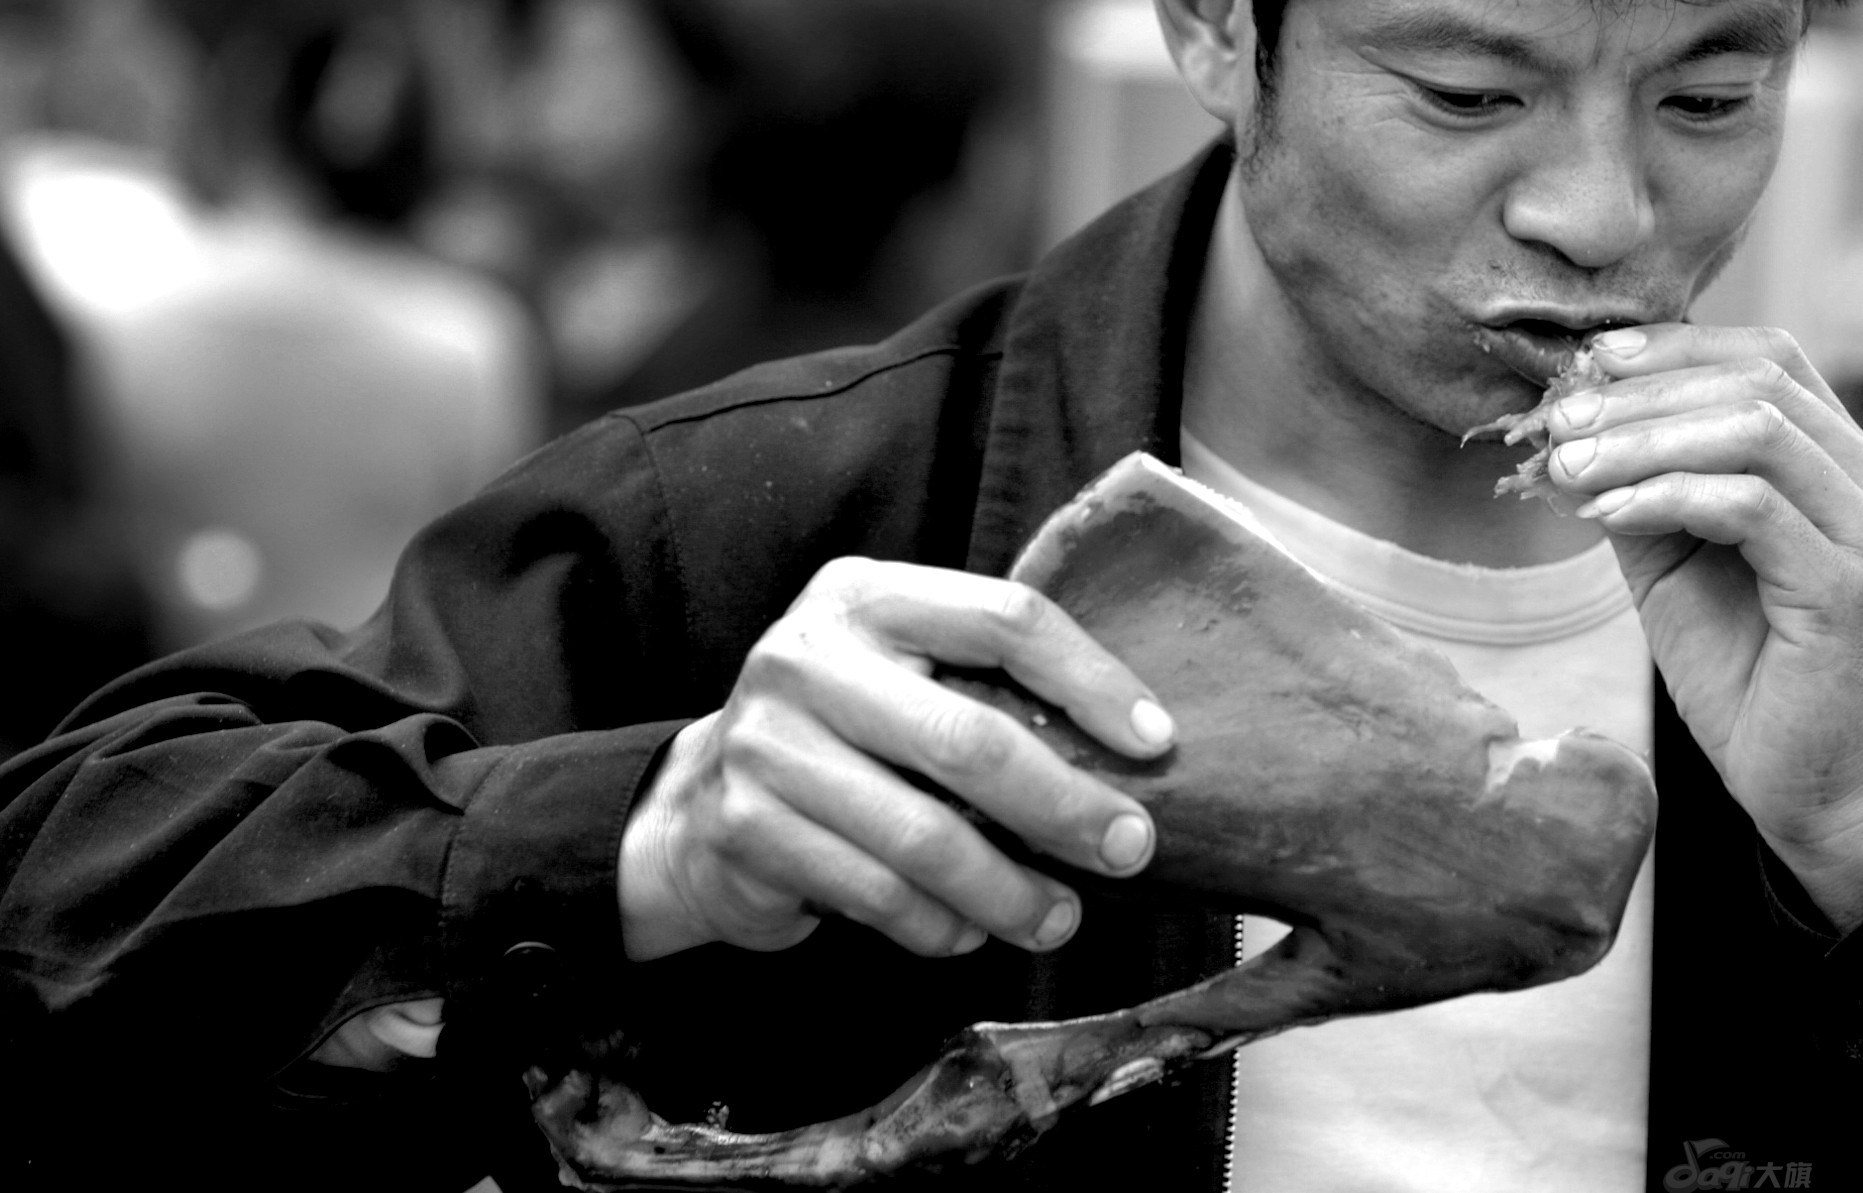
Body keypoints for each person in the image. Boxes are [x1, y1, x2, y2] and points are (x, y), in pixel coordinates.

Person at [3, 0, 1861, 1190]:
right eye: (1467, 91)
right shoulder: (779, 515)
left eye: (1714, 93)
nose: (1604, 214)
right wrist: (640, 830)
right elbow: (71, 877)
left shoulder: (1832, 581)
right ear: (1220, 27)